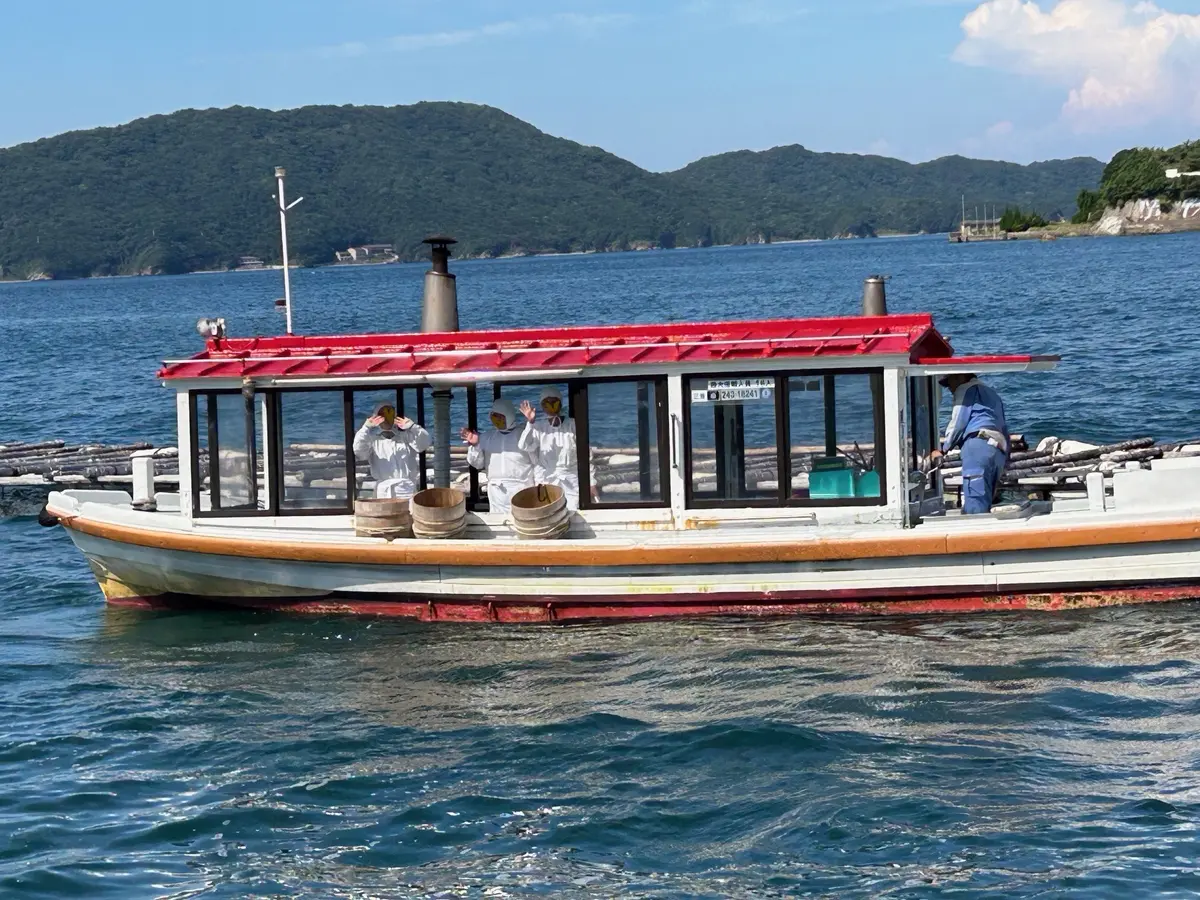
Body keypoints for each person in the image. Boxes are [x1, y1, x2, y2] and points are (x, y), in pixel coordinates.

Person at [928, 373, 1009, 515]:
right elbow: (1003, 427)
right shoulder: (992, 393)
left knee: (975, 502)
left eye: (949, 383)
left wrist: (943, 449)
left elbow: (958, 424)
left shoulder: (964, 389)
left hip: (977, 446)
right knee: (988, 499)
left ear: (960, 377)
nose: (950, 389)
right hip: (998, 448)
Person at [461, 397, 536, 516]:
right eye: (494, 417)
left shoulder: (523, 435)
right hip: (496, 492)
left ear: (509, 416)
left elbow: (536, 461)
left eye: (500, 417)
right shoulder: (487, 437)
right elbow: (477, 464)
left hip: (522, 489)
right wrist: (475, 446)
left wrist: (531, 423)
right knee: (499, 525)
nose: (497, 421)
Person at [518, 387, 580, 510]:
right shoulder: (538, 427)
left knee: (573, 514)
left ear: (560, 403)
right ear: (542, 406)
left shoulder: (573, 424)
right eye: (546, 403)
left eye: (554, 402)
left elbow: (586, 453)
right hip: (547, 481)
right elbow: (524, 445)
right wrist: (530, 422)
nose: (551, 405)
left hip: (572, 481)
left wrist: (591, 481)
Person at [352, 402, 432, 499]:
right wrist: (365, 428)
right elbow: (359, 451)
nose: (386, 419)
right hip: (384, 492)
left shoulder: (406, 438)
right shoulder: (372, 441)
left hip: (406, 490)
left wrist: (412, 426)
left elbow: (425, 443)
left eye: (389, 414)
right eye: (382, 415)